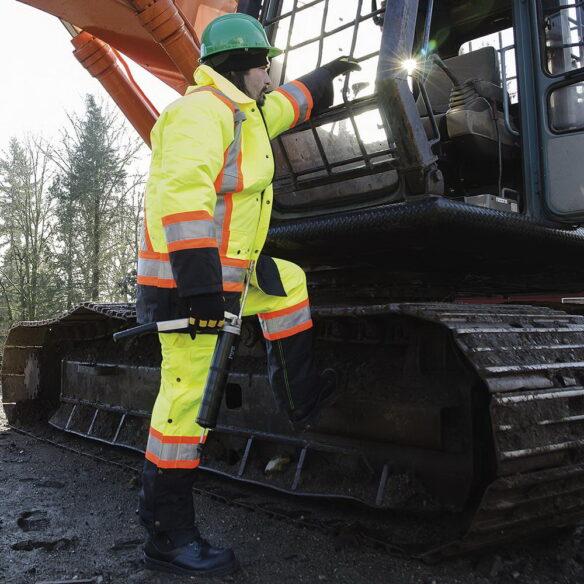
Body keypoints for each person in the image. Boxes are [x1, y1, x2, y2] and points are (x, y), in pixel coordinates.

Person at [135, 12, 360, 577]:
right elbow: (181, 199)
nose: (269, 75)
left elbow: (282, 106)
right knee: (184, 408)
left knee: (289, 284)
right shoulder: (199, 115)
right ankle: (169, 537)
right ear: (244, 64)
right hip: (186, 289)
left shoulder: (242, 112)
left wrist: (324, 76)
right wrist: (202, 293)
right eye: (265, 65)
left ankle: (301, 397)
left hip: (231, 277)